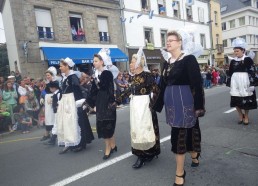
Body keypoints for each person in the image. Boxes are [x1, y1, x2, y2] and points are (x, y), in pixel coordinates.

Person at [153, 30, 205, 186]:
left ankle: (180, 172)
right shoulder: (167, 63)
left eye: (171, 40)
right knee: (185, 130)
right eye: (166, 40)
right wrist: (155, 104)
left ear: (180, 42)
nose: (167, 42)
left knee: (181, 134)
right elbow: (162, 85)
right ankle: (195, 154)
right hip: (171, 103)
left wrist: (198, 107)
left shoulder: (189, 60)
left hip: (185, 101)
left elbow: (197, 84)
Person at [117, 48, 160, 169]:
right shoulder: (132, 77)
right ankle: (140, 153)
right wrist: (117, 100)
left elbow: (156, 90)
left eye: (132, 62)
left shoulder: (147, 75)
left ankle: (148, 153)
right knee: (137, 129)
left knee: (146, 130)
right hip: (135, 106)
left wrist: (151, 104)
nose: (130, 64)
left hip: (145, 106)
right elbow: (129, 90)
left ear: (137, 63)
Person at [57, 57, 93, 154]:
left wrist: (78, 104)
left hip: (72, 102)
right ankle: (70, 142)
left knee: (77, 122)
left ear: (67, 66)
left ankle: (81, 143)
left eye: (61, 66)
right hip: (66, 102)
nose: (60, 68)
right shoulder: (67, 77)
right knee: (69, 123)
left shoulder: (72, 77)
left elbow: (77, 90)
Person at [87, 49, 118, 160]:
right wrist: (92, 103)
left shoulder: (107, 73)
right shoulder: (96, 74)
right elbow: (93, 91)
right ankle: (113, 145)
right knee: (104, 125)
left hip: (107, 102)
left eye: (95, 61)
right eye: (93, 61)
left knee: (107, 125)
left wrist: (111, 103)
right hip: (100, 102)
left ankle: (108, 149)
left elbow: (108, 89)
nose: (93, 63)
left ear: (102, 62)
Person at [228, 38, 257, 125]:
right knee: (235, 99)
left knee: (246, 100)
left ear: (243, 51)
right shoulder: (233, 61)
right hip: (235, 82)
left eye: (237, 51)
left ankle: (246, 116)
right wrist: (229, 82)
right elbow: (230, 72)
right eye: (234, 51)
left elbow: (252, 71)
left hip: (245, 82)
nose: (235, 53)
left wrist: (252, 83)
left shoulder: (248, 59)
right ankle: (240, 115)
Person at [40, 67, 58, 141]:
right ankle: (48, 134)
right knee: (48, 118)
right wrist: (42, 97)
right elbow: (45, 91)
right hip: (47, 102)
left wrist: (53, 97)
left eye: (48, 75)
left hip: (53, 100)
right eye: (46, 75)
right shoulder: (47, 83)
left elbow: (58, 91)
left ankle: (52, 135)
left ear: (52, 75)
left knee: (53, 118)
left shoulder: (55, 82)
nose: (47, 77)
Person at [44, 81, 61, 145]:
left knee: (57, 125)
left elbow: (60, 102)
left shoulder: (59, 94)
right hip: (56, 112)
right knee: (55, 126)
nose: (50, 89)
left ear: (54, 88)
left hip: (59, 112)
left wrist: (56, 105)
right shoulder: (55, 94)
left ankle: (53, 139)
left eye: (50, 88)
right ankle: (52, 139)